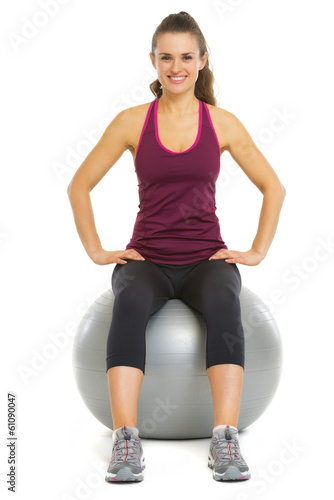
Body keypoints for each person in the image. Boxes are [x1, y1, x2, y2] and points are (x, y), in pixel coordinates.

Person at [67, 11, 286, 483]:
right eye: (166, 56)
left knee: (226, 303)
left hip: (207, 258)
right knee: (129, 303)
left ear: (203, 61)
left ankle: (224, 437)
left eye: (186, 56)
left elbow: (274, 187)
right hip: (146, 257)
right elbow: (79, 185)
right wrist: (98, 251)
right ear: (153, 61)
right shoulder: (131, 122)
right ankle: (126, 439)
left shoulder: (222, 124)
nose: (176, 66)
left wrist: (256, 251)